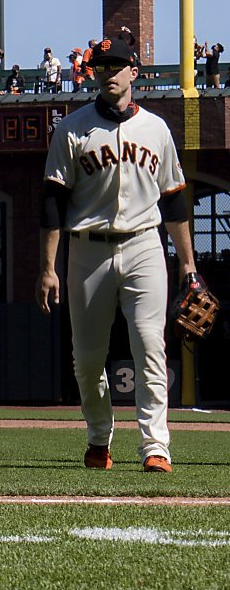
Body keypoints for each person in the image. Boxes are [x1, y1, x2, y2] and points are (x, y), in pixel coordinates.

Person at [40, 36, 208, 471]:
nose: (108, 72)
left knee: (150, 346)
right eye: (101, 66)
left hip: (144, 245)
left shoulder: (156, 129)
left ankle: (156, 446)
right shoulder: (71, 128)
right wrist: (47, 268)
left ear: (134, 72)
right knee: (88, 355)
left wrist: (188, 266)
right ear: (92, 72)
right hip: (87, 249)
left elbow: (173, 201)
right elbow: (52, 202)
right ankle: (99, 438)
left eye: (117, 65)